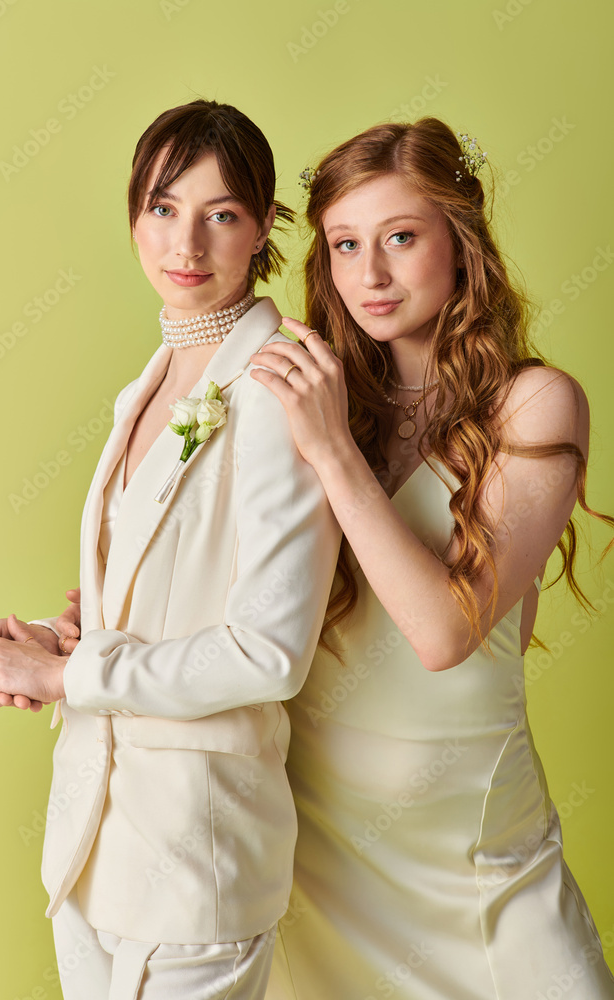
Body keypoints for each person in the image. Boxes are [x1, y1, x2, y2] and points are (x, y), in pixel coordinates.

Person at [0, 99, 340, 1000]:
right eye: (164, 209)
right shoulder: (150, 382)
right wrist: (69, 634)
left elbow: (268, 650)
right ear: (134, 216)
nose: (188, 243)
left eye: (222, 216)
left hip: (193, 861)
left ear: (262, 232)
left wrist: (71, 677)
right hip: (89, 848)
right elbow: (166, 592)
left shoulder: (276, 387)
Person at [250, 118, 614, 998]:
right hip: (322, 853)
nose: (367, 274)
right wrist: (84, 630)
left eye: (400, 238)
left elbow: (445, 632)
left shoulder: (533, 405)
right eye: (344, 244)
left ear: (461, 243)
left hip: (474, 863)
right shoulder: (324, 394)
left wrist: (334, 454)